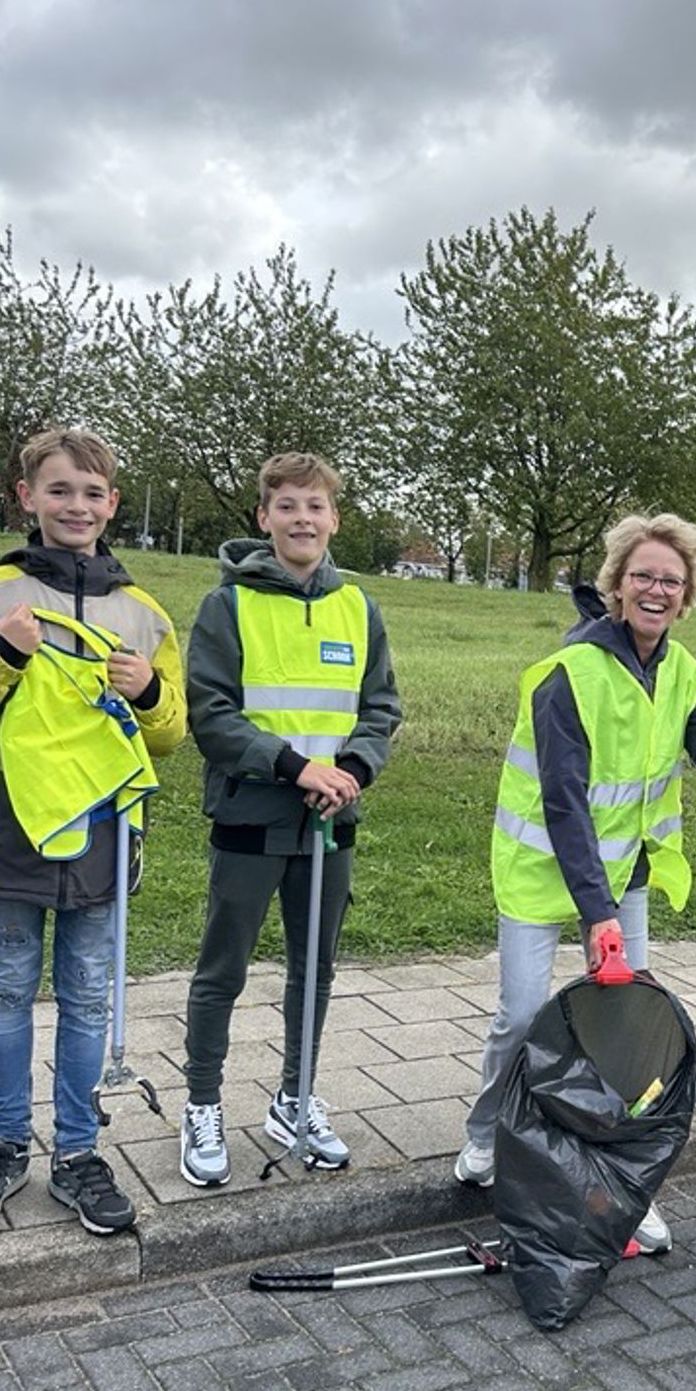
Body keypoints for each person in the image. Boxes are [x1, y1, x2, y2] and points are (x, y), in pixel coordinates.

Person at [454, 512, 696, 1248]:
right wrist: (595, 913)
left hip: (625, 874)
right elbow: (564, 803)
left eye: (671, 579)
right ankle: (485, 1138)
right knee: (521, 1013)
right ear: (616, 586)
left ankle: (620, 1180)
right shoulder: (569, 673)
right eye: (643, 577)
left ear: (687, 593)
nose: (656, 590)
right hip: (542, 873)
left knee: (627, 1034)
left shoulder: (681, 670)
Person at [0, 428, 186, 1236]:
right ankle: (3, 1146)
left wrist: (145, 694)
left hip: (101, 835)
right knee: (5, 987)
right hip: (6, 831)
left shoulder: (143, 613)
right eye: (60, 490)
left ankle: (76, 1153)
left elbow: (169, 734)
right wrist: (0, 652)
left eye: (93, 493)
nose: (78, 506)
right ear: (26, 497)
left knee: (88, 995)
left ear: (113, 504)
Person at [178, 453, 402, 1186]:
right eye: (287, 506)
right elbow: (211, 714)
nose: (302, 519)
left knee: (317, 969)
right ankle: (202, 1103)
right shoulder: (228, 605)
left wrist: (353, 772)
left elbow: (380, 708)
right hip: (251, 817)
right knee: (224, 970)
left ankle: (295, 1097)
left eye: (316, 507)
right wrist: (295, 768)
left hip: (331, 823)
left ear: (335, 519)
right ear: (264, 517)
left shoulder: (358, 607)